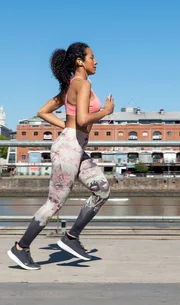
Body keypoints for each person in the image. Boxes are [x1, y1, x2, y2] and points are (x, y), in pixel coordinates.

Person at [7, 42, 114, 270]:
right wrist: (106, 111)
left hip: (75, 147)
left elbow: (44, 112)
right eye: (92, 57)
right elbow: (83, 120)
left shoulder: (73, 86)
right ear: (80, 61)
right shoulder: (82, 84)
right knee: (54, 203)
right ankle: (20, 248)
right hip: (68, 149)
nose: (96, 61)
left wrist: (67, 126)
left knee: (102, 188)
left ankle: (71, 238)